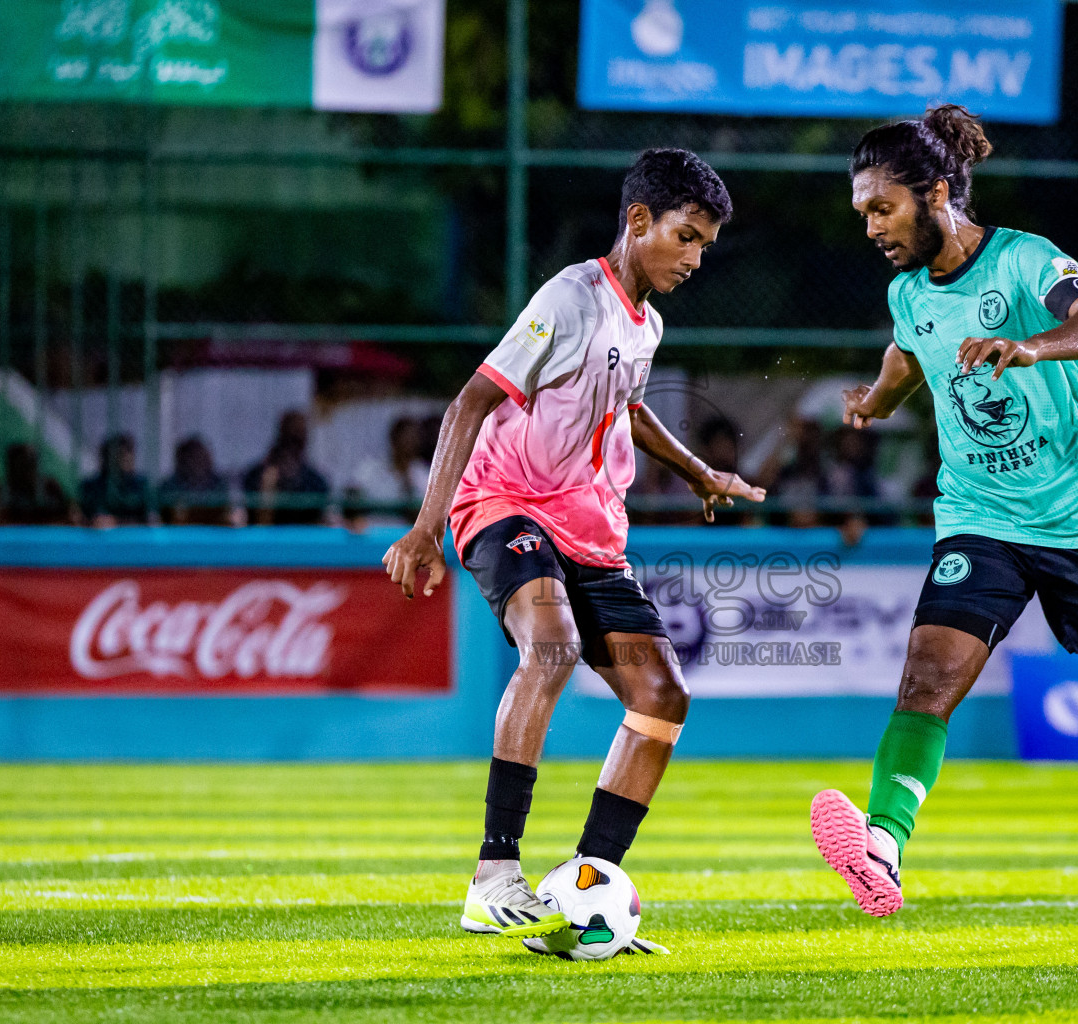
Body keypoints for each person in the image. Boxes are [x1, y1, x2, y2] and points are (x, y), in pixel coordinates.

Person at [809, 105, 1078, 919]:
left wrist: (1031, 345)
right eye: (863, 212)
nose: (870, 227)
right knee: (928, 679)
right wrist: (873, 399)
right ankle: (883, 845)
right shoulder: (908, 293)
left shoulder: (1025, 261)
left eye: (882, 208)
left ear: (935, 193)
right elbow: (910, 350)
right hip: (981, 519)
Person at [380, 149, 762, 942]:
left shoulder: (646, 319)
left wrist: (697, 472)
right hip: (504, 505)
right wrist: (427, 524)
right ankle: (494, 875)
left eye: (704, 246)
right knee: (548, 647)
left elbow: (625, 407)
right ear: (637, 221)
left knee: (662, 698)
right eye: (685, 237)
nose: (693, 258)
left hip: (592, 535)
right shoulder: (571, 296)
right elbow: (472, 399)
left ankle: (583, 892)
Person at [242, 410, 330, 525]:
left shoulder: (315, 481)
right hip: (266, 539)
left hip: (303, 539)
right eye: (290, 438)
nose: (293, 446)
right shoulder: (256, 475)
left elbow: (319, 518)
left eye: (298, 439)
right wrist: (267, 486)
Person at [345, 417, 430, 527]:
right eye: (405, 438)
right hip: (372, 535)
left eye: (413, 439)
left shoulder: (423, 475)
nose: (409, 444)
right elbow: (351, 496)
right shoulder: (371, 468)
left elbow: (424, 518)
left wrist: (408, 483)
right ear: (393, 439)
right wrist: (356, 516)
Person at [79, 434, 150, 527]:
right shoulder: (91, 486)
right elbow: (80, 517)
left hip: (133, 539)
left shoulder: (142, 485)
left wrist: (117, 522)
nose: (126, 458)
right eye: (120, 454)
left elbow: (152, 521)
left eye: (129, 452)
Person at [160, 436, 231, 526]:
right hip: (179, 536)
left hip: (213, 535)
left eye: (200, 457)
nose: (197, 462)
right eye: (193, 457)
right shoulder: (170, 486)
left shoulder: (219, 484)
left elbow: (224, 514)